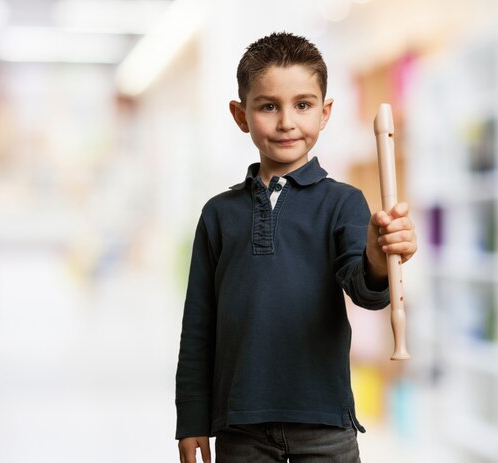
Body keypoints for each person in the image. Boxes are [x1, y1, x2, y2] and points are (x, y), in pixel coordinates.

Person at [175, 32, 417, 463]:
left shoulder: (343, 202)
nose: (287, 121)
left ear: (324, 113)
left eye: (303, 105)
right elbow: (198, 326)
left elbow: (365, 289)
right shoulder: (217, 214)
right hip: (240, 427)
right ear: (240, 114)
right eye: (269, 106)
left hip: (326, 425)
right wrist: (192, 418)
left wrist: (379, 257)